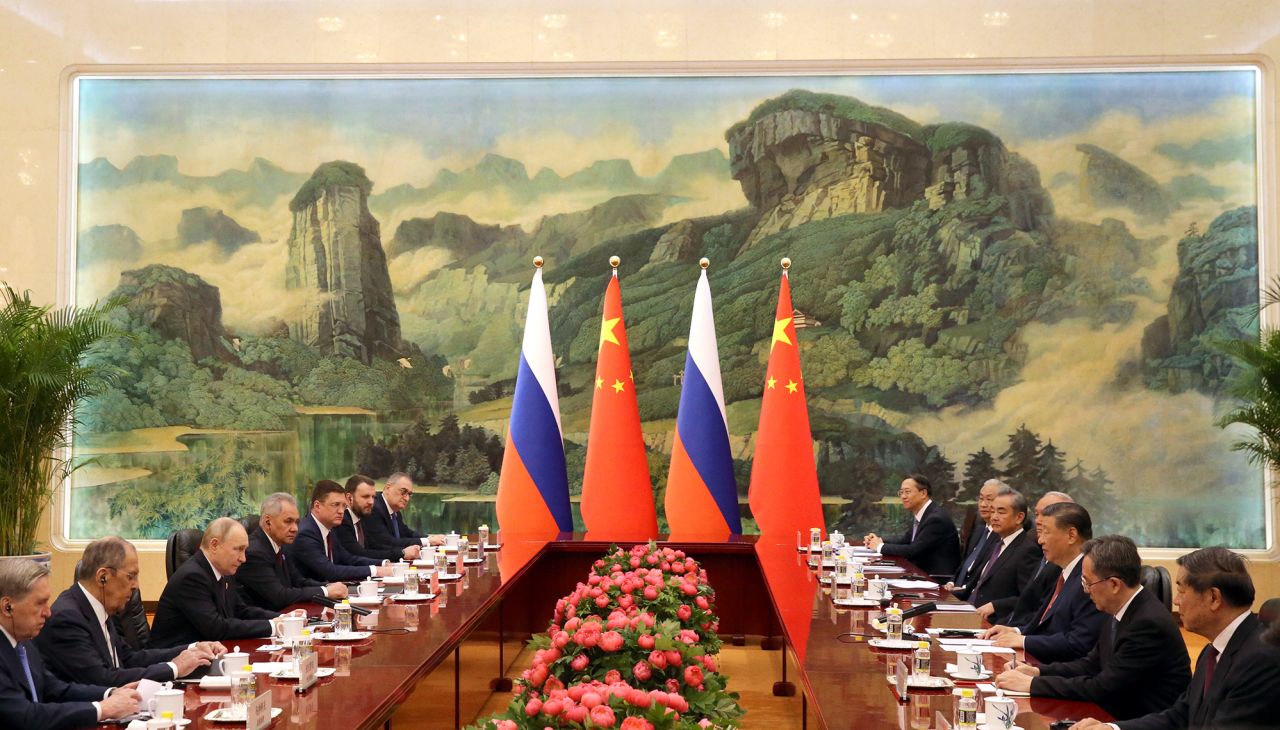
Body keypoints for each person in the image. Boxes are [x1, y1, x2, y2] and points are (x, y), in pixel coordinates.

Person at [1071, 547, 1280, 730]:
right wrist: (1112, 728)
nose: (1176, 601)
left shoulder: (1259, 660)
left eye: (1181, 591)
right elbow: (1179, 715)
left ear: (1214, 598)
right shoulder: (1212, 651)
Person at [995, 535, 1189, 720]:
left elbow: (1103, 687)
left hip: (1134, 719)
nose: (1085, 590)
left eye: (1088, 582)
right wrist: (1037, 671)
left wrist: (1033, 685)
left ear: (1114, 584)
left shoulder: (1147, 624)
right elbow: (1090, 664)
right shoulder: (1121, 607)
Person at [36, 537, 224, 686]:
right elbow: (102, 679)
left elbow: (129, 658)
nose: (136, 586)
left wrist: (192, 648)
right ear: (103, 577)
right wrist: (174, 668)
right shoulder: (67, 618)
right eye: (131, 576)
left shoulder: (96, 606)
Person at [0, 558, 141, 729]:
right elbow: (25, 717)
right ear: (7, 607)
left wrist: (110, 693)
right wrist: (100, 709)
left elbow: (54, 689)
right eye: (40, 603)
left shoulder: (24, 643)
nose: (48, 612)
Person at [983, 502, 1105, 662]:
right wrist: (1015, 631)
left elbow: (1079, 643)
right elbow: (1044, 624)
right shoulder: (1063, 571)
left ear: (1071, 535)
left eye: (1046, 532)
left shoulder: (1089, 579)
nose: (1040, 540)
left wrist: (1025, 641)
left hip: (1059, 671)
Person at [150, 518, 299, 647]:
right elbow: (217, 628)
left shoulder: (224, 571)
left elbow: (241, 610)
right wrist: (273, 626)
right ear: (214, 545)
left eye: (244, 550)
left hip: (207, 655)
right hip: (173, 662)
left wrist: (281, 618)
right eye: (238, 550)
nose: (243, 558)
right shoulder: (192, 577)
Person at [238, 493, 349, 611]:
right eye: (288, 521)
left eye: (296, 522)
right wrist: (325, 591)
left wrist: (328, 586)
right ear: (268, 522)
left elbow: (298, 581)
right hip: (267, 621)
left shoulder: (282, 545)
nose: (295, 528)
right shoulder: (254, 553)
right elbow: (279, 596)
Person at [978, 491, 1073, 624]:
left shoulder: (1035, 551)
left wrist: (1017, 632)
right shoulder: (1039, 546)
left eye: (1047, 514)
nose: (1038, 520)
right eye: (1037, 514)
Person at [289, 480, 395, 583]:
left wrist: (383, 563)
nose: (341, 511)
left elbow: (348, 559)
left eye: (343, 506)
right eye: (335, 505)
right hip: (312, 596)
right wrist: (375, 571)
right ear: (317, 506)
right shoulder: (306, 534)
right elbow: (330, 571)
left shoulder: (329, 528)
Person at [953, 487, 1041, 610]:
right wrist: (943, 596)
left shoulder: (1027, 550)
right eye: (992, 511)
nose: (993, 517)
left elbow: (1028, 598)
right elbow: (974, 589)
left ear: (1019, 517)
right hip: (968, 609)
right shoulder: (996, 543)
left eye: (1001, 512)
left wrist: (995, 606)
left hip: (993, 621)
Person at [862, 473, 961, 576]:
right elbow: (905, 541)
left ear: (923, 493)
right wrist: (879, 540)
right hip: (919, 574)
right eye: (901, 492)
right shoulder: (924, 514)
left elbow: (913, 551)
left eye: (907, 492)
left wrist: (880, 547)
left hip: (935, 579)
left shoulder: (936, 519)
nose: (903, 496)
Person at [339, 475, 420, 562]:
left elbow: (377, 545)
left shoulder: (362, 518)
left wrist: (404, 552)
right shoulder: (342, 521)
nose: (371, 502)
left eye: (373, 497)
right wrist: (402, 553)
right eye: (365, 497)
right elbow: (359, 553)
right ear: (349, 498)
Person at [365, 472, 445, 551]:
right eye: (403, 492)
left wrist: (430, 538)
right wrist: (427, 541)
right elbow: (387, 542)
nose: (407, 499)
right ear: (387, 488)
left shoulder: (395, 511)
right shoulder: (374, 508)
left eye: (409, 494)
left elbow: (407, 533)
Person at [951, 479, 1001, 589]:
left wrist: (963, 589)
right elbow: (965, 564)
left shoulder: (1001, 537)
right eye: (981, 499)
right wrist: (951, 583)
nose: (983, 504)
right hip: (955, 591)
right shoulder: (979, 530)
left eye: (989, 499)